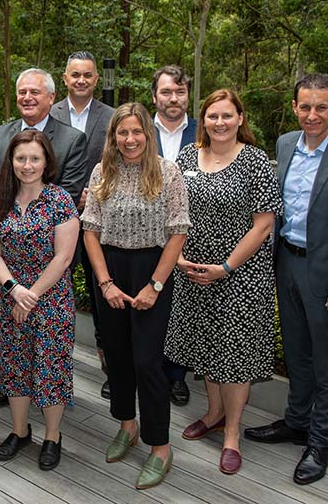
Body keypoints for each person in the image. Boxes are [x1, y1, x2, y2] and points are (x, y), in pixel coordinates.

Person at [245, 73, 328, 485]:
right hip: (285, 262)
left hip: (327, 274)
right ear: (294, 107)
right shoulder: (285, 144)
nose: (312, 115)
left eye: (321, 107)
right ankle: (297, 422)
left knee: (325, 360)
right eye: (305, 106)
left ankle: (320, 441)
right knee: (296, 352)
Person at [164, 89, 282, 475]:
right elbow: (171, 211)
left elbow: (263, 225)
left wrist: (225, 267)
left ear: (240, 119)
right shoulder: (185, 158)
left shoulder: (256, 163)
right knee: (206, 348)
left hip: (239, 276)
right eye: (212, 116)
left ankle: (232, 432)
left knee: (234, 355)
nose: (219, 122)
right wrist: (177, 258)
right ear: (204, 119)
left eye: (227, 115)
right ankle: (213, 413)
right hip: (192, 272)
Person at [81, 103, 189, 489]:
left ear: (147, 133)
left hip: (151, 271)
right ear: (113, 137)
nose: (129, 140)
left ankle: (160, 446)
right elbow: (89, 229)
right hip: (109, 270)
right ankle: (127, 425)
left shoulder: (168, 172)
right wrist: (105, 282)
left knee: (147, 361)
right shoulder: (101, 172)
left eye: (136, 132)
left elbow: (178, 231)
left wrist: (155, 285)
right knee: (118, 356)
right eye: (122, 133)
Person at [0, 68, 87, 408]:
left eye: (35, 92)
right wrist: (7, 211)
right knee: (13, 355)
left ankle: (50, 421)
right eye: (22, 91)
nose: (27, 97)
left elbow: (70, 191)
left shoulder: (72, 139)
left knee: (49, 356)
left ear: (52, 98)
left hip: (49, 263)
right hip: (8, 256)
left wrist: (34, 221)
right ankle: (13, 398)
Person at [0, 130, 79, 471]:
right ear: (11, 161)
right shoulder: (1, 201)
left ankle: (53, 436)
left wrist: (31, 294)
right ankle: (19, 431)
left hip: (50, 302)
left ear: (46, 162)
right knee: (15, 368)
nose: (27, 165)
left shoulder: (60, 200)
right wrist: (14, 290)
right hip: (10, 298)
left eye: (35, 158)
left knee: (50, 369)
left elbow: (63, 257)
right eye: (21, 158)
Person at [50, 51, 115, 399]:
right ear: (64, 78)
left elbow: (121, 159)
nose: (81, 81)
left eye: (88, 75)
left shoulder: (112, 116)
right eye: (75, 75)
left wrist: (100, 191)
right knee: (53, 290)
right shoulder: (50, 113)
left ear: (95, 79)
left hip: (97, 219)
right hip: (55, 220)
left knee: (101, 291)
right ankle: (51, 362)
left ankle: (110, 366)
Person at [150, 65, 197, 406]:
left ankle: (176, 375)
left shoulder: (203, 131)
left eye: (179, 92)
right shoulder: (136, 130)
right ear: (155, 96)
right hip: (143, 234)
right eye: (166, 92)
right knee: (145, 302)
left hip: (189, 233)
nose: (173, 99)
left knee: (182, 307)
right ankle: (141, 372)